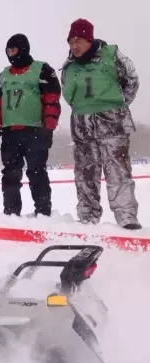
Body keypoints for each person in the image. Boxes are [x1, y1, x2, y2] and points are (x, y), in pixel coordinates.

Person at [60, 19, 142, 229]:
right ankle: (88, 217)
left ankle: (127, 218)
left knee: (118, 172)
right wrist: (84, 109)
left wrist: (115, 106)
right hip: (82, 125)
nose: (74, 46)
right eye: (71, 42)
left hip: (112, 124)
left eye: (78, 40)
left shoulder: (112, 56)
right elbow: (68, 93)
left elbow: (131, 80)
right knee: (85, 173)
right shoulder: (69, 66)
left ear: (89, 39)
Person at [0, 33, 61, 217]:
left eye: (13, 50)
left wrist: (49, 127)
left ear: (23, 49)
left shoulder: (42, 70)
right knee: (10, 174)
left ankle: (43, 212)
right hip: (10, 133)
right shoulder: (2, 76)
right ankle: (11, 213)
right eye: (8, 51)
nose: (11, 54)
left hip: (35, 131)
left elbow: (51, 100)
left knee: (36, 172)